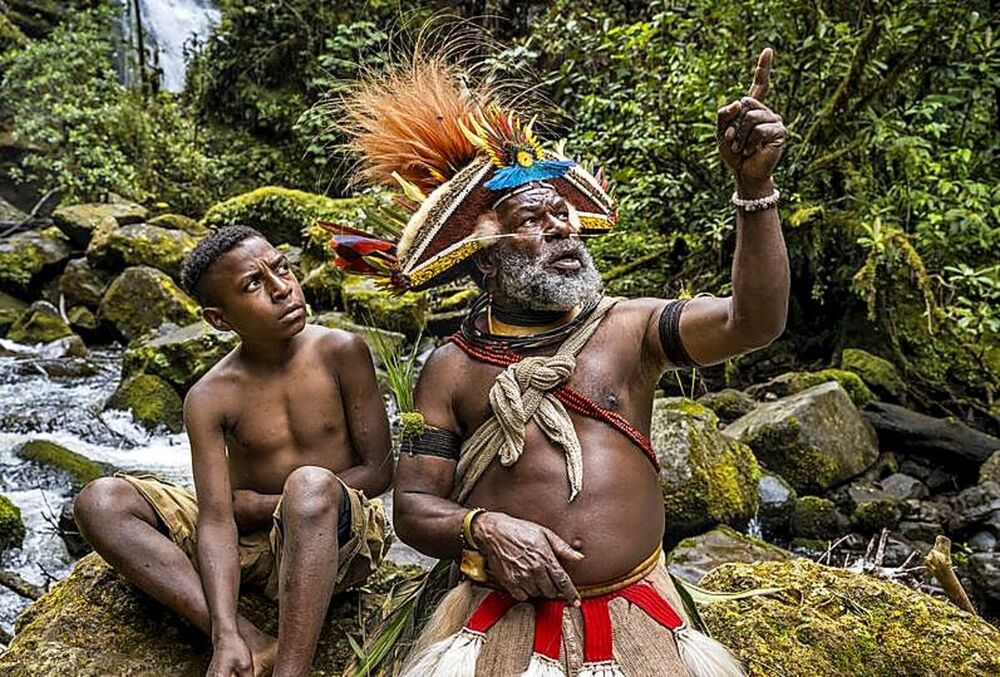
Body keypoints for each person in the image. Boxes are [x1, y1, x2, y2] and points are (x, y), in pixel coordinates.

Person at [325, 45, 787, 676]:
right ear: (485, 260)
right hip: (496, 617)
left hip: (640, 610)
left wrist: (753, 188)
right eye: (533, 221)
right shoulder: (452, 369)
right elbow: (413, 510)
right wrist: (484, 530)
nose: (562, 229)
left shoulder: (632, 329)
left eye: (563, 215)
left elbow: (752, 322)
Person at [73, 226, 393, 677]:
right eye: (253, 285)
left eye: (282, 270)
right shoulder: (209, 396)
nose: (283, 289)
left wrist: (268, 505)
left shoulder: (341, 351)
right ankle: (248, 640)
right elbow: (217, 519)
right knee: (101, 500)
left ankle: (290, 670)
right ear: (219, 319)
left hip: (336, 538)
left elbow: (379, 473)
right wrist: (223, 629)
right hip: (248, 545)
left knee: (309, 483)